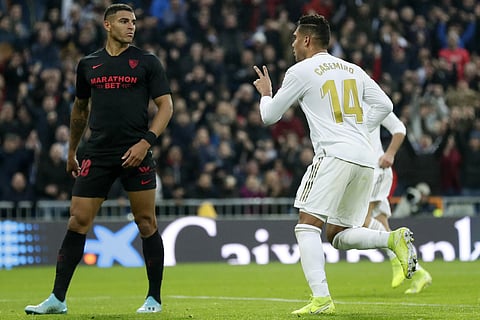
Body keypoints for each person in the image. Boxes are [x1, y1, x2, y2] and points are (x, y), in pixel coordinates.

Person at [252, 14, 416, 315]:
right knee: (337, 235)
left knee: (306, 226)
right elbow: (386, 106)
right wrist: (358, 130)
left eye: (294, 38)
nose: (291, 44)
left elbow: (269, 116)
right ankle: (391, 238)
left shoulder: (301, 71)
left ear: (306, 40)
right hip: (365, 158)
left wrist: (265, 94)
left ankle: (322, 299)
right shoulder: (353, 69)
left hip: (334, 155)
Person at [25, 3, 173, 315]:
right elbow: (80, 109)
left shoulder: (147, 62)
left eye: (133, 21)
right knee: (78, 220)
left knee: (146, 222)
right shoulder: (89, 64)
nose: (131, 26)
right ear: (107, 25)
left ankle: (154, 298)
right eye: (124, 21)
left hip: (137, 151)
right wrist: (71, 151)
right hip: (98, 152)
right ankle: (57, 299)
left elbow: (166, 106)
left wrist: (146, 143)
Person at [364, 112, 432, 294]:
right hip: (361, 172)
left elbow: (399, 128)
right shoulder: (341, 100)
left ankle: (396, 262)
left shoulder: (371, 100)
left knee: (362, 221)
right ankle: (419, 273)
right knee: (383, 227)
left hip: (376, 170)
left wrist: (390, 154)